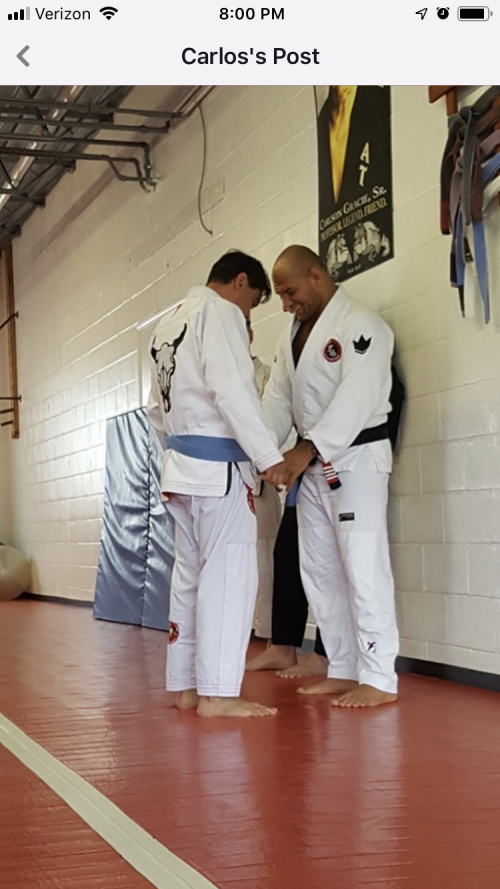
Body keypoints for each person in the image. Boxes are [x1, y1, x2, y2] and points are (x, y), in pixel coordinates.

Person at [147, 250, 286, 718]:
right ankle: (219, 695)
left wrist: (176, 455)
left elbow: (155, 410)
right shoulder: (219, 312)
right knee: (229, 578)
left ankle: (188, 689)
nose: (249, 314)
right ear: (240, 282)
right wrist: (268, 459)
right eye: (253, 302)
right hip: (220, 470)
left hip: (180, 469)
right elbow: (232, 391)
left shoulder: (167, 322)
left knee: (188, 578)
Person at [262, 244, 399, 708]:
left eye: (290, 292)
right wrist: (262, 452)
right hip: (314, 467)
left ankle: (379, 675)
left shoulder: (363, 325)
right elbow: (277, 400)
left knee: (363, 566)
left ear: (316, 276)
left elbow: (356, 399)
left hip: (355, 459)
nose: (286, 304)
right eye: (281, 295)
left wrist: (307, 449)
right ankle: (342, 666)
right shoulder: (291, 337)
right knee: (320, 570)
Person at [246, 319, 282, 641]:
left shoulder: (267, 376)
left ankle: (267, 631)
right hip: (222, 480)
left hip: (260, 479)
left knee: (265, 557)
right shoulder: (212, 376)